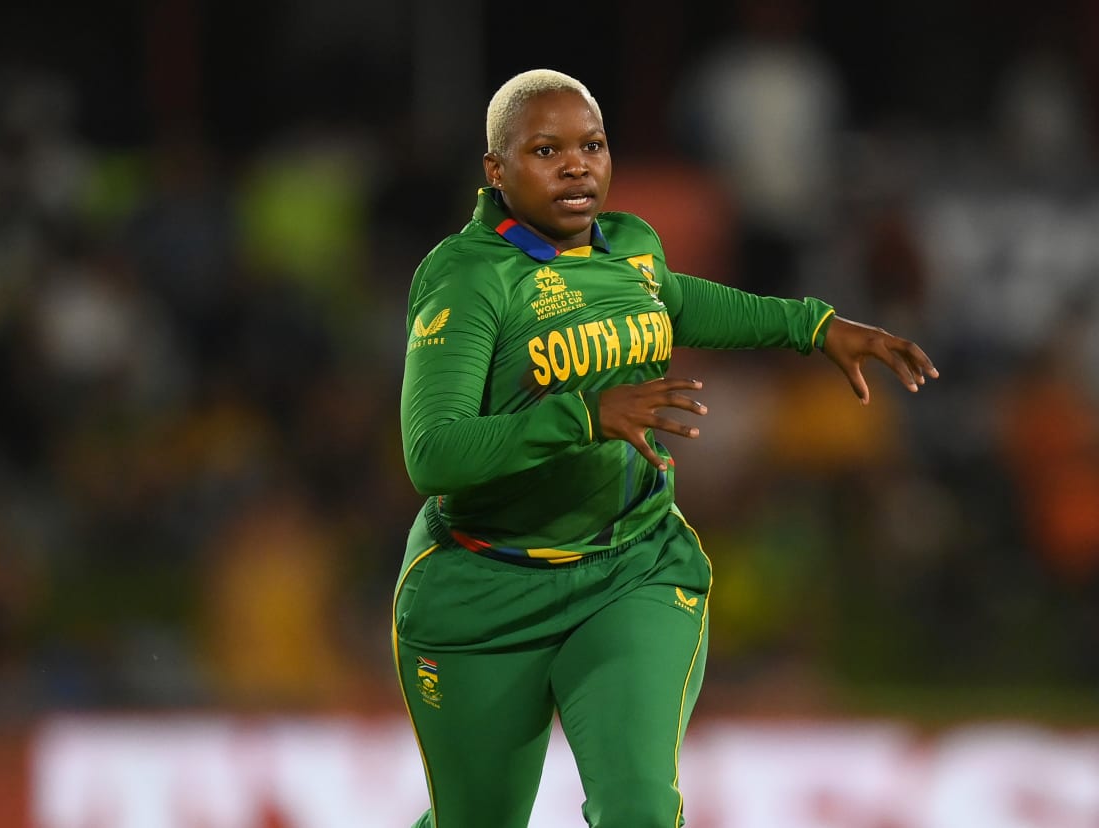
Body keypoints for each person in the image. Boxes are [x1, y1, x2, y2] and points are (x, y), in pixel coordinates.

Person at [394, 68, 938, 828]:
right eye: (546, 150)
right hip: (484, 584)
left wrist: (814, 328)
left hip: (630, 570)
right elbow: (434, 453)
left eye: (592, 144)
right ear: (496, 171)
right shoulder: (468, 279)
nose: (577, 164)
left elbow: (679, 302)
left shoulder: (633, 248)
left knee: (640, 810)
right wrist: (581, 416)